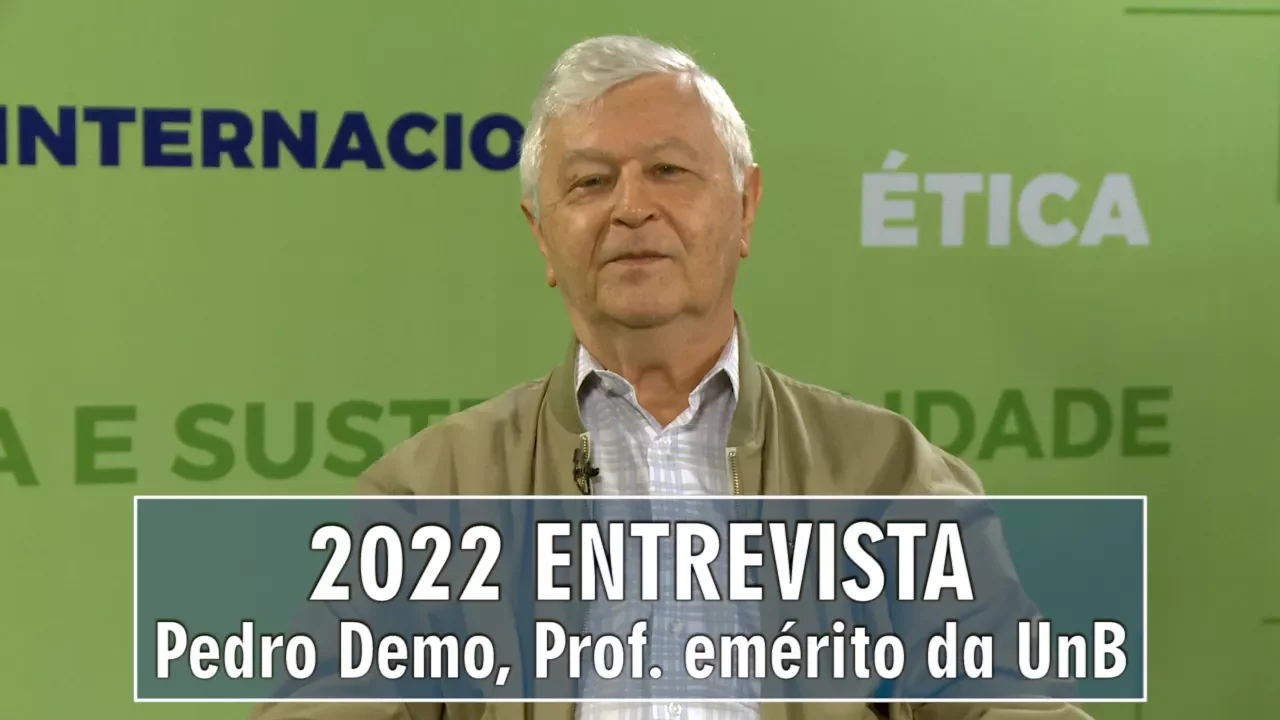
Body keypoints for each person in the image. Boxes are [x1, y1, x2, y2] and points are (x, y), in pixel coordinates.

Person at [253, 35, 1097, 720]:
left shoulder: (888, 475)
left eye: (668, 171)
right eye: (590, 182)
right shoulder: (430, 493)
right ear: (543, 235)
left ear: (745, 207)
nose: (631, 207)